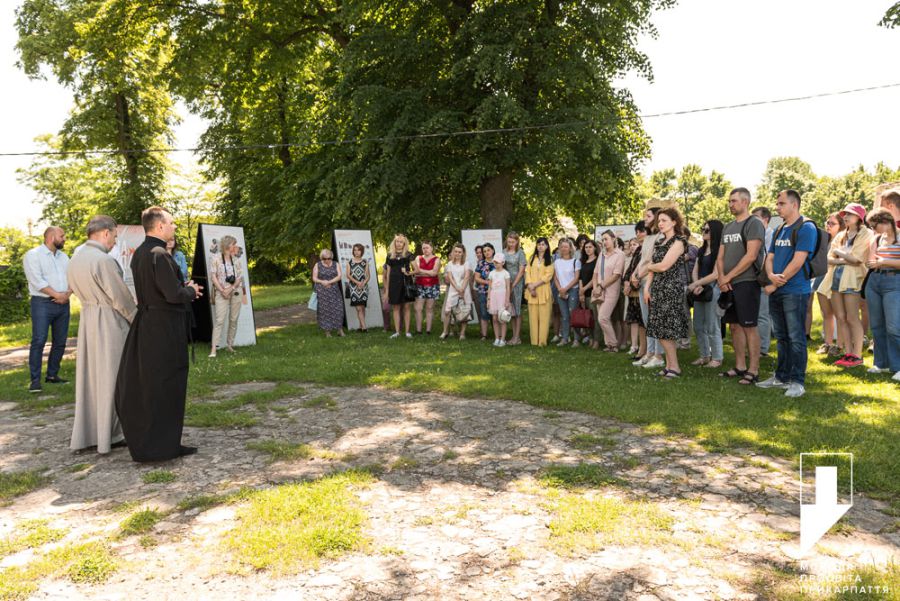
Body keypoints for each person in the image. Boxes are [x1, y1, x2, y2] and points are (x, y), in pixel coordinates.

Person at [115, 206, 203, 462]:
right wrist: (191, 291)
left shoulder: (141, 253)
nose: (175, 227)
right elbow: (172, 294)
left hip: (149, 324)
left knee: (155, 385)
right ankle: (162, 447)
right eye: (172, 223)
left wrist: (180, 289)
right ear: (160, 226)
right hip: (164, 328)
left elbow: (158, 289)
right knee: (166, 384)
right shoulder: (158, 254)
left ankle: (162, 443)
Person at [68, 216, 137, 454]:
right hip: (109, 322)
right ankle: (113, 433)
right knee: (114, 377)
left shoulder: (75, 260)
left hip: (88, 321)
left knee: (92, 379)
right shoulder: (104, 261)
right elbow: (120, 297)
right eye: (115, 236)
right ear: (106, 233)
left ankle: (90, 433)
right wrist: (136, 319)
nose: (115, 242)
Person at [757, 190, 818, 398]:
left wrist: (775, 283)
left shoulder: (806, 227)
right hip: (778, 289)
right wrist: (771, 275)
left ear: (794, 205)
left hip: (795, 291)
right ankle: (781, 376)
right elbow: (770, 256)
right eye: (777, 203)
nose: (777, 207)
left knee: (796, 337)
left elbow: (798, 260)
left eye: (781, 203)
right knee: (782, 337)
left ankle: (797, 381)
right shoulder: (780, 229)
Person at [717, 187, 766, 385]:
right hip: (728, 283)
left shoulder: (753, 223)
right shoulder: (728, 227)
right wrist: (722, 278)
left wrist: (728, 276)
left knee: (749, 326)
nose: (731, 204)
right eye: (729, 201)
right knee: (735, 327)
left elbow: (751, 256)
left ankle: (753, 370)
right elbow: (720, 257)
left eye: (734, 201)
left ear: (745, 202)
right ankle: (740, 366)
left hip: (747, 282)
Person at [818, 203, 871, 368]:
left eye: (850, 214)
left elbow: (857, 259)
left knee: (852, 318)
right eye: (845, 214)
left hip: (853, 280)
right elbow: (828, 258)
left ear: (859, 217)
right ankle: (848, 353)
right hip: (835, 279)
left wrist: (840, 253)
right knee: (841, 318)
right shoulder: (841, 235)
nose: (846, 217)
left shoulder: (866, 233)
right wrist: (846, 257)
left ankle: (857, 355)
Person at [23, 226, 71, 393]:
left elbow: (72, 277)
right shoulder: (33, 255)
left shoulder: (64, 257)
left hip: (64, 303)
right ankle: (35, 381)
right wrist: (57, 295)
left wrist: (67, 294)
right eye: (62, 235)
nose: (64, 238)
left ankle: (52, 375)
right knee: (39, 340)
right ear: (51, 237)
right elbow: (36, 281)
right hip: (42, 304)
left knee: (60, 342)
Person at [645, 208, 689, 378]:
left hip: (671, 288)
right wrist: (646, 287)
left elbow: (663, 266)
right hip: (657, 288)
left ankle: (675, 367)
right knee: (659, 329)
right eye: (659, 221)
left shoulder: (679, 241)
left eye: (664, 220)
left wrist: (648, 266)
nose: (660, 223)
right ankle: (670, 365)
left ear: (674, 222)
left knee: (667, 329)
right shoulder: (659, 242)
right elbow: (653, 268)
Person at [864, 207, 900, 381]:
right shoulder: (876, 239)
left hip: (894, 282)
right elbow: (871, 261)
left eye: (874, 225)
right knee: (877, 325)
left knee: (893, 326)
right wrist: (875, 262)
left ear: (885, 222)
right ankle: (881, 363)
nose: (872, 229)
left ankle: (898, 365)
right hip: (874, 282)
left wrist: (885, 261)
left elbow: (881, 261)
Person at [688, 220, 724, 368]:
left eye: (707, 230)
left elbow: (716, 274)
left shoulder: (719, 250)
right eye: (702, 228)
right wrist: (697, 284)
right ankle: (704, 355)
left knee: (712, 325)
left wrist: (697, 284)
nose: (703, 231)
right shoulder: (701, 250)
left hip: (713, 289)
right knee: (698, 325)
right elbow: (695, 270)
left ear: (714, 232)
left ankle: (717, 358)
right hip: (700, 290)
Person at [633, 203, 664, 368]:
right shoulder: (648, 238)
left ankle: (658, 355)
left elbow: (652, 262)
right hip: (641, 281)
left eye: (649, 216)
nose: (645, 219)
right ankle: (650, 353)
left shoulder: (661, 238)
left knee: (655, 319)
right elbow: (642, 260)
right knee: (647, 320)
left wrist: (639, 275)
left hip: (651, 281)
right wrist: (634, 275)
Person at [814, 213, 845, 357]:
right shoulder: (823, 240)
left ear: (841, 226)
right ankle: (827, 343)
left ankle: (839, 345)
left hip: (838, 278)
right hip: (822, 277)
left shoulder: (844, 240)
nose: (828, 225)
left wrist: (834, 260)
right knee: (826, 313)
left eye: (832, 223)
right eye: (827, 222)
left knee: (839, 314)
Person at [209, 235, 246, 355]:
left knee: (233, 319)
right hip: (221, 292)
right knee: (219, 320)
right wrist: (222, 290)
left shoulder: (236, 260)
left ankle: (230, 345)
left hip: (235, 291)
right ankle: (214, 349)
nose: (235, 247)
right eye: (233, 244)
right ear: (227, 245)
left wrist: (230, 289)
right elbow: (213, 277)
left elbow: (239, 278)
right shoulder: (215, 258)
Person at [593, 231, 625, 352]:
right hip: (599, 291)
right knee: (603, 319)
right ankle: (609, 345)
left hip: (611, 291)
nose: (604, 242)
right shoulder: (601, 254)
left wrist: (600, 286)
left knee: (602, 318)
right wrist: (596, 287)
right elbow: (595, 273)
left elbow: (616, 275)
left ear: (613, 239)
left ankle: (613, 343)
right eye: (602, 240)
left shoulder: (620, 255)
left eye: (606, 239)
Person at [751, 206, 775, 356]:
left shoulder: (771, 235)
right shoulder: (755, 234)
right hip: (752, 279)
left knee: (763, 315)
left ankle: (763, 349)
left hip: (765, 280)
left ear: (765, 219)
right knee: (754, 314)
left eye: (756, 218)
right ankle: (754, 346)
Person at [525, 237, 555, 346]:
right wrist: (530, 286)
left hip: (543, 291)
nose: (540, 246)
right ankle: (534, 341)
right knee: (533, 318)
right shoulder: (532, 258)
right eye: (539, 244)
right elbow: (527, 272)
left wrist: (534, 286)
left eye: (543, 244)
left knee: (544, 318)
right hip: (531, 291)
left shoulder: (550, 260)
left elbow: (548, 276)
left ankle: (542, 342)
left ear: (547, 246)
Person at [384, 234, 414, 338]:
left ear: (404, 243)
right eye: (397, 241)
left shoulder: (408, 254)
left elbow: (417, 270)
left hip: (406, 283)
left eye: (401, 242)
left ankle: (407, 332)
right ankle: (397, 332)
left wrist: (408, 272)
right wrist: (387, 291)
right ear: (394, 242)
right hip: (393, 284)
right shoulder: (389, 255)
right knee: (395, 307)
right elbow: (387, 274)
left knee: (406, 307)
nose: (399, 243)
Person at [440, 243, 472, 340]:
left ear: (463, 253)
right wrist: (457, 288)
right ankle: (445, 331)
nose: (457, 253)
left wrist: (462, 289)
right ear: (453, 252)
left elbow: (467, 276)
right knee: (447, 311)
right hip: (453, 289)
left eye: (459, 252)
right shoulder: (450, 264)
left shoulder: (466, 263)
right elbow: (450, 277)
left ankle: (462, 333)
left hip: (464, 289)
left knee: (464, 311)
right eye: (456, 251)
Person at [553, 238, 581, 347]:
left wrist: (565, 288)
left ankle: (576, 339)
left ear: (570, 248)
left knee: (573, 315)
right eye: (561, 247)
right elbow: (555, 277)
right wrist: (560, 289)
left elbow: (576, 277)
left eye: (566, 247)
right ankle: (565, 338)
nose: (563, 249)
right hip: (561, 291)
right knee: (564, 316)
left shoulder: (575, 261)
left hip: (572, 290)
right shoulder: (557, 262)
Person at [312, 248, 345, 338]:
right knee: (325, 311)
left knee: (338, 308)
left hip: (334, 290)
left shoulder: (336, 264)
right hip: (322, 291)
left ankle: (340, 330)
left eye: (329, 258)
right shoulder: (317, 265)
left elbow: (339, 276)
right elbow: (314, 278)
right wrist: (323, 282)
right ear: (322, 258)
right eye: (324, 259)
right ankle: (327, 332)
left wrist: (329, 282)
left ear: (331, 257)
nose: (327, 260)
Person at [623, 231, 646, 356]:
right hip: (631, 293)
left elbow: (641, 272)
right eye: (631, 244)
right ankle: (634, 345)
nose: (632, 246)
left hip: (640, 290)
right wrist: (626, 283)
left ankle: (644, 348)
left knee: (642, 320)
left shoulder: (644, 254)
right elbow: (628, 272)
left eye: (635, 244)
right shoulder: (634, 255)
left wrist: (631, 286)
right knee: (633, 320)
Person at [502, 232, 527, 345]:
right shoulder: (504, 252)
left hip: (517, 283)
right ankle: (513, 336)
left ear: (517, 241)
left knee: (517, 310)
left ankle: (517, 337)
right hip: (506, 282)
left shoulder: (520, 253)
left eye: (513, 242)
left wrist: (513, 285)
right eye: (509, 241)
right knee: (511, 311)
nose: (510, 244)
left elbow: (522, 271)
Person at [413, 240, 441, 335]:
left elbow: (434, 273)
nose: (425, 250)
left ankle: (428, 330)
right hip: (419, 286)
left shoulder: (437, 259)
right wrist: (428, 272)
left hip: (432, 286)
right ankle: (419, 330)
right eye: (423, 248)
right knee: (418, 308)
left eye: (427, 247)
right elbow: (416, 273)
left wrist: (420, 271)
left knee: (429, 308)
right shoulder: (418, 258)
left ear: (432, 248)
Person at [473, 243, 496, 341]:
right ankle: (484, 335)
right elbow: (476, 278)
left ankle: (497, 335)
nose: (486, 253)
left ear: (493, 251)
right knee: (483, 313)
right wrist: (487, 282)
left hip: (496, 292)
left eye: (488, 250)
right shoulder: (481, 263)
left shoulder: (498, 262)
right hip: (483, 291)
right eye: (485, 251)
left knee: (495, 314)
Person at [577, 239, 598, 345]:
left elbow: (595, 278)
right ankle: (590, 338)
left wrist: (584, 289)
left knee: (594, 318)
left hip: (592, 293)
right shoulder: (583, 261)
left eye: (590, 247)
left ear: (594, 248)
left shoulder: (598, 260)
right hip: (583, 293)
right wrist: (581, 292)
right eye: (586, 247)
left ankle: (596, 340)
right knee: (587, 317)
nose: (588, 249)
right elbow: (580, 277)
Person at [487, 253, 511, 346]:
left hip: (502, 297)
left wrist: (507, 299)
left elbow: (508, 287)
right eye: (494, 262)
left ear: (503, 263)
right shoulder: (492, 273)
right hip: (493, 297)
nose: (496, 264)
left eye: (498, 262)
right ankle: (497, 338)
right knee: (494, 318)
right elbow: (489, 287)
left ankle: (503, 339)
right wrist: (488, 299)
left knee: (502, 318)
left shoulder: (506, 273)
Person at [346, 243, 370, 333]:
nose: (356, 252)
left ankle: (360, 327)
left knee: (362, 307)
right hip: (353, 287)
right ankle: (364, 328)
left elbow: (368, 276)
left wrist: (363, 283)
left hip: (363, 287)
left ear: (362, 251)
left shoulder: (365, 262)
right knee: (358, 308)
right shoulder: (350, 262)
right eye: (355, 250)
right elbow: (348, 275)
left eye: (358, 250)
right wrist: (357, 283)